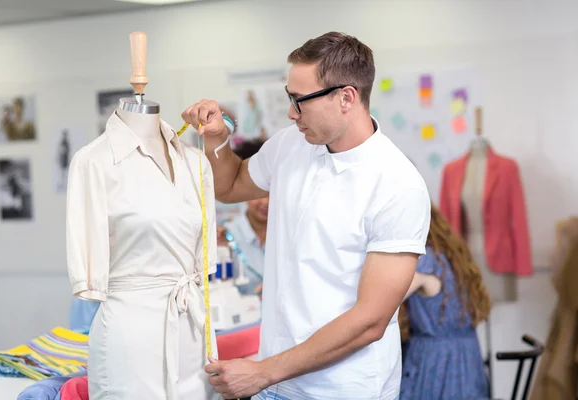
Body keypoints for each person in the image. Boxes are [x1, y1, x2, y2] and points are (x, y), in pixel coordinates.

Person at [182, 31, 431, 400]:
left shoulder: (397, 185)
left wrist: (263, 372)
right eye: (289, 97)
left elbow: (370, 321)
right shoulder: (290, 144)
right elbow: (230, 186)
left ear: (346, 97)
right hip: (275, 381)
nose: (290, 112)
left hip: (344, 389)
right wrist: (216, 138)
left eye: (300, 100)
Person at [398, 204, 491, 400]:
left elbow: (383, 299)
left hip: (436, 361)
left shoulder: (425, 261)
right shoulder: (454, 256)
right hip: (467, 356)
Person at [218, 138, 268, 297]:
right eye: (258, 194)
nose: (265, 203)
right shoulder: (225, 236)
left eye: (271, 194)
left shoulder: (289, 232)